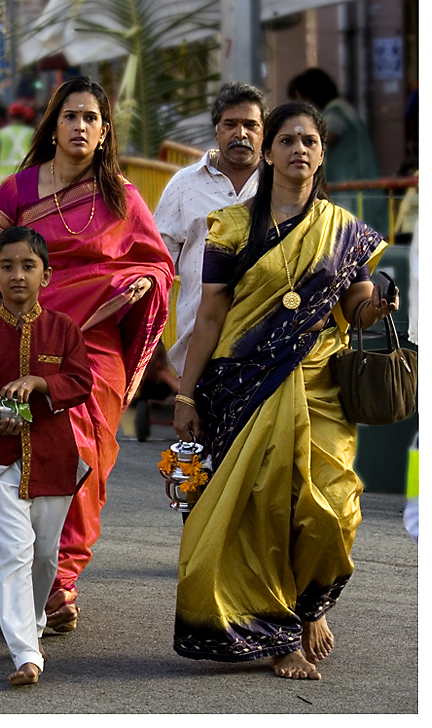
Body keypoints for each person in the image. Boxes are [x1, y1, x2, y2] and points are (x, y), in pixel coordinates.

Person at [171, 101, 397, 680]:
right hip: (245, 384)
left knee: (332, 508)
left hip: (320, 382)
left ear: (321, 155)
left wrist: (374, 308)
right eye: (288, 140)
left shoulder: (343, 231)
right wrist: (186, 395)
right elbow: (212, 318)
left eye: (310, 142)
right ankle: (283, 633)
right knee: (262, 513)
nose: (299, 149)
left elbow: (356, 306)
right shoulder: (233, 226)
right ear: (270, 153)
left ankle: (309, 604)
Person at [0, 76, 174, 634]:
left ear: (105, 133)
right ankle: (30, 569)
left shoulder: (123, 199)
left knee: (83, 448)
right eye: (70, 116)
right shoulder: (17, 191)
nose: (80, 126)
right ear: (52, 125)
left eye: (90, 118)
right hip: (20, 339)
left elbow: (158, 264)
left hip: (91, 348)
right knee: (19, 453)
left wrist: (141, 282)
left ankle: (60, 579)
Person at [0, 226, 93, 686]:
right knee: (11, 553)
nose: (18, 276)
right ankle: (24, 652)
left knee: (44, 558)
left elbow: (81, 383)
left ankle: (32, 626)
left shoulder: (64, 329)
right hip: (1, 462)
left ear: (46, 276)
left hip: (54, 460)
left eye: (28, 266)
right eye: (7, 267)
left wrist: (39, 384)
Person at [155, 82, 267, 375]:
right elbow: (157, 261)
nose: (241, 133)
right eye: (231, 124)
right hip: (200, 351)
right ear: (216, 131)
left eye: (251, 125)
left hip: (268, 350)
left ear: (264, 132)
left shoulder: (280, 185)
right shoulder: (184, 184)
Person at [288, 68, 382, 226]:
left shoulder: (336, 112)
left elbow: (316, 141)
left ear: (310, 95)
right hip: (353, 193)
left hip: (354, 193)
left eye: (299, 100)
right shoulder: (339, 111)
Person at [0, 103, 36, 188]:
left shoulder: (1, 133)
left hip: (3, 179)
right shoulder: (31, 133)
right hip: (24, 178)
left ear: (9, 116)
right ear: (23, 117)